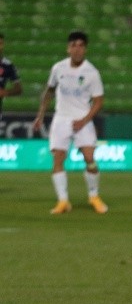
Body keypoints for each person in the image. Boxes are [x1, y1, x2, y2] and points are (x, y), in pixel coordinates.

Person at [32, 31, 108, 215]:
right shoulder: (58, 68)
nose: (77, 49)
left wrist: (84, 120)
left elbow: (98, 101)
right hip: (62, 118)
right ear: (68, 48)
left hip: (83, 118)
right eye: (74, 45)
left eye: (81, 46)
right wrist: (40, 115)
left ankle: (94, 196)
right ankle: (63, 201)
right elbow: (49, 91)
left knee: (89, 158)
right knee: (58, 158)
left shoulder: (92, 73)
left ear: (85, 49)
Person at [0, 33, 23, 120]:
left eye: (0, 43)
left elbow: (18, 89)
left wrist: (5, 92)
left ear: (3, 45)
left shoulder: (8, 65)